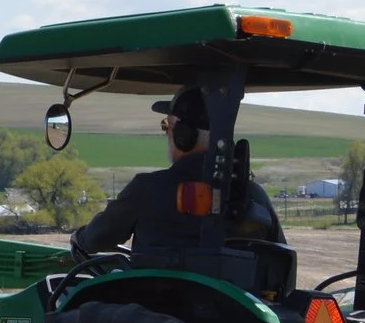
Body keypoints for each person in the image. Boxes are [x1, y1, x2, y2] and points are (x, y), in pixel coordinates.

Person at [71, 84, 284, 256]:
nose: (167, 134)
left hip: (161, 303)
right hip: (238, 307)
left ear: (183, 135)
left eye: (167, 127)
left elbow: (96, 239)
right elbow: (280, 255)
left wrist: (78, 238)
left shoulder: (148, 189)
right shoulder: (255, 195)